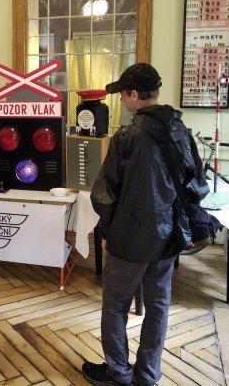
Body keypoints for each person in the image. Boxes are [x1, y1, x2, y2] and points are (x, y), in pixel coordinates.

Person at [83, 63, 208, 386]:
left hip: (129, 238)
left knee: (115, 306)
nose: (121, 100)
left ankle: (119, 373)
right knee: (158, 306)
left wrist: (107, 231)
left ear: (135, 94)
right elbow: (197, 186)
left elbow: (105, 193)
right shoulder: (182, 132)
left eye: (123, 94)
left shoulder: (127, 136)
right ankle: (148, 374)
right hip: (168, 238)